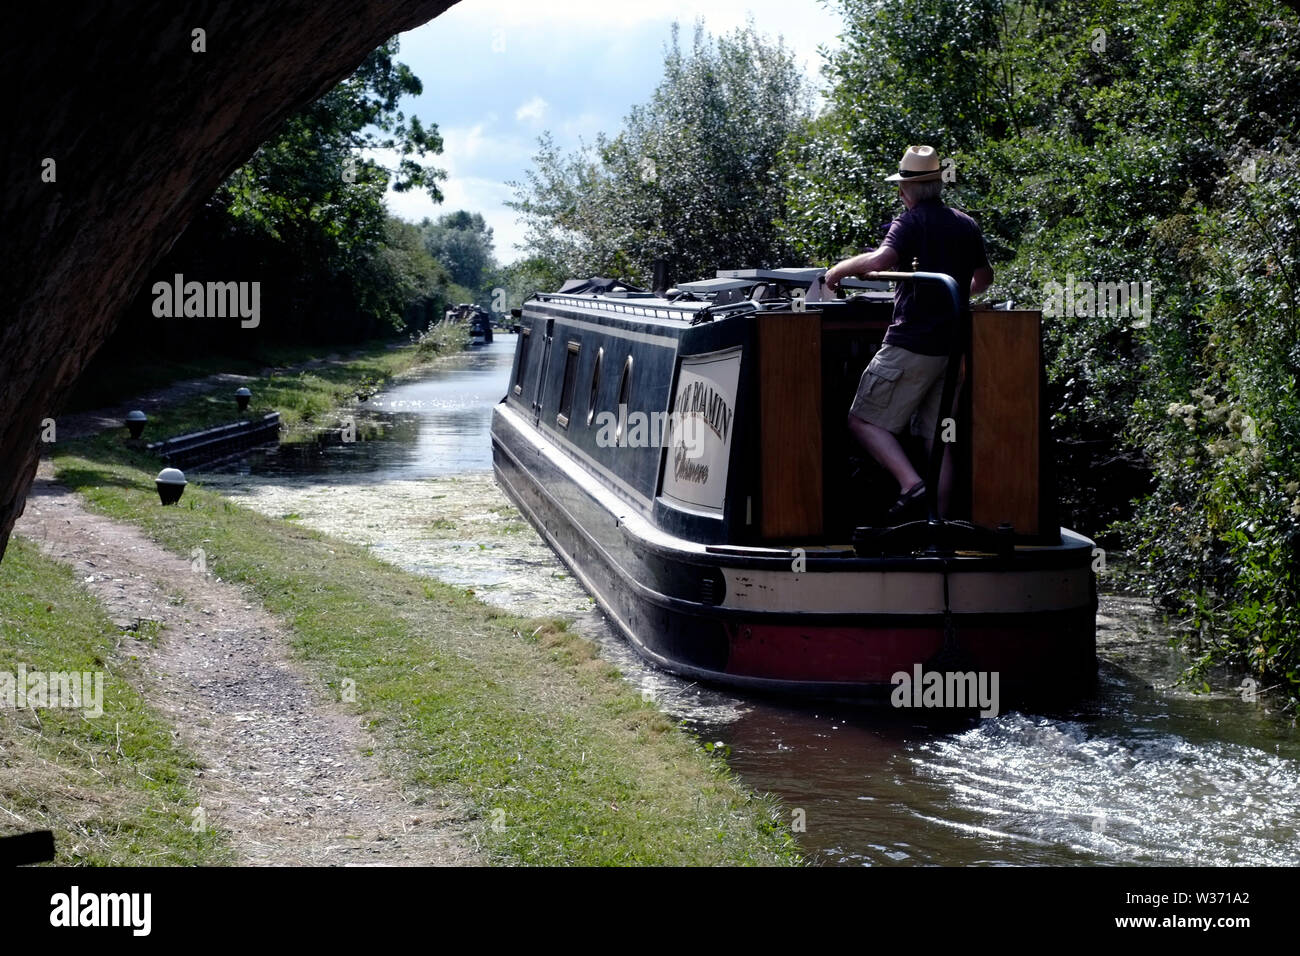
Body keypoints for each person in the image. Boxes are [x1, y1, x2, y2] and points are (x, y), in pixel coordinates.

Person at [825, 144, 994, 520]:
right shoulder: (966, 223)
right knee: (941, 441)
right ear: (937, 185)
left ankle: (911, 485)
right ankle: (941, 531)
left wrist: (838, 270)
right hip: (952, 352)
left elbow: (882, 260)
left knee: (862, 421)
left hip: (912, 344)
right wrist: (949, 292)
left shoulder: (911, 221)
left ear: (905, 191)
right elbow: (983, 279)